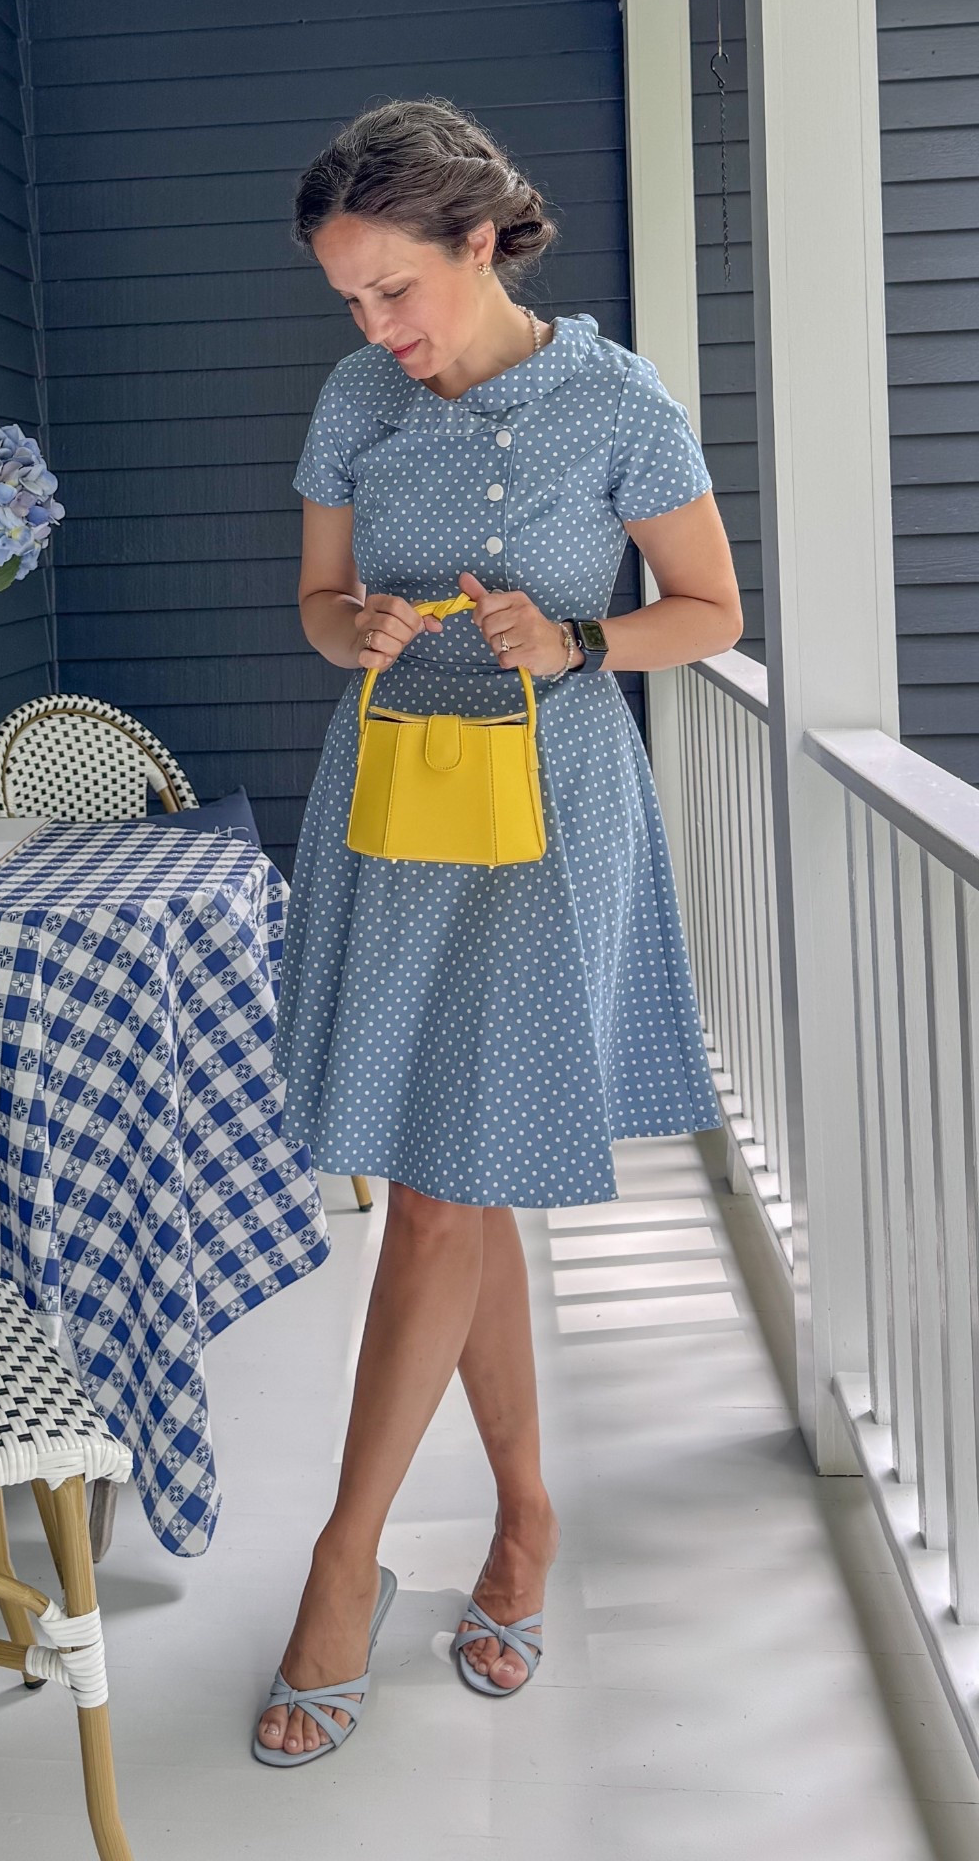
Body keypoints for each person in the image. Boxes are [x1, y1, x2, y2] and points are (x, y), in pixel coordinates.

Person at [255, 97, 741, 1766]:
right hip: (394, 806)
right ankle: (524, 1521)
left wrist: (581, 639)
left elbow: (714, 611)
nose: (376, 330)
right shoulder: (353, 401)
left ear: (481, 242)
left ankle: (341, 1568)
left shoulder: (618, 398)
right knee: (451, 1178)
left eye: (396, 289)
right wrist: (361, 624)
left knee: (442, 1197)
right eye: (349, 302)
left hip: (550, 819)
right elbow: (320, 612)